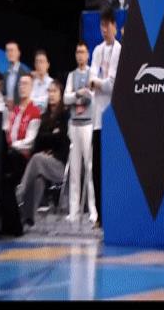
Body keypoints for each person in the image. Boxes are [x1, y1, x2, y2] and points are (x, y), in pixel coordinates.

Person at [16, 80, 70, 229]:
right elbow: (39, 141)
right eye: (49, 91)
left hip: (60, 164)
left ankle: (20, 192)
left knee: (37, 159)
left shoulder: (65, 115)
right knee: (38, 177)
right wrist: (52, 136)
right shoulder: (44, 116)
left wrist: (50, 141)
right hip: (44, 162)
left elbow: (63, 140)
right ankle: (28, 218)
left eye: (54, 91)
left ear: (61, 94)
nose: (51, 94)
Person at [89, 7, 122, 226]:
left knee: (112, 170)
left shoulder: (119, 50)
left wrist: (97, 83)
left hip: (113, 118)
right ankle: (100, 216)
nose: (104, 29)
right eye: (101, 25)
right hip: (97, 120)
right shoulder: (97, 50)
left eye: (107, 25)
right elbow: (91, 78)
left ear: (114, 27)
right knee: (97, 170)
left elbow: (112, 84)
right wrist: (98, 83)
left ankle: (113, 213)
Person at [0, 75, 41, 235]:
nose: (22, 87)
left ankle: (14, 226)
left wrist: (12, 146)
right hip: (10, 154)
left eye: (25, 84)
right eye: (20, 84)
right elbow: (6, 131)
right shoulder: (14, 110)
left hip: (23, 158)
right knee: (1, 179)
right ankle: (8, 224)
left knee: (6, 176)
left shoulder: (34, 112)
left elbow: (30, 141)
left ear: (31, 87)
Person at [64, 42, 98, 224]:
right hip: (74, 125)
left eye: (83, 52)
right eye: (78, 52)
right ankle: (74, 210)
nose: (80, 55)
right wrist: (78, 94)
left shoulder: (92, 73)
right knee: (75, 170)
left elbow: (91, 95)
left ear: (88, 54)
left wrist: (79, 95)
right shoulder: (72, 75)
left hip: (87, 125)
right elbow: (66, 98)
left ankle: (93, 210)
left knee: (89, 168)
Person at [2, 41, 29, 111]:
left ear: (18, 53)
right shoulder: (5, 74)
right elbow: (4, 93)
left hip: (21, 110)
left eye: (12, 50)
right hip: (8, 111)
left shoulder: (25, 73)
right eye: (7, 51)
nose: (10, 53)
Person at [30, 49, 54, 113]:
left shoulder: (52, 83)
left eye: (41, 62)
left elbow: (47, 103)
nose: (39, 65)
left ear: (48, 65)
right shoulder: (31, 83)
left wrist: (33, 102)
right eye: (36, 62)